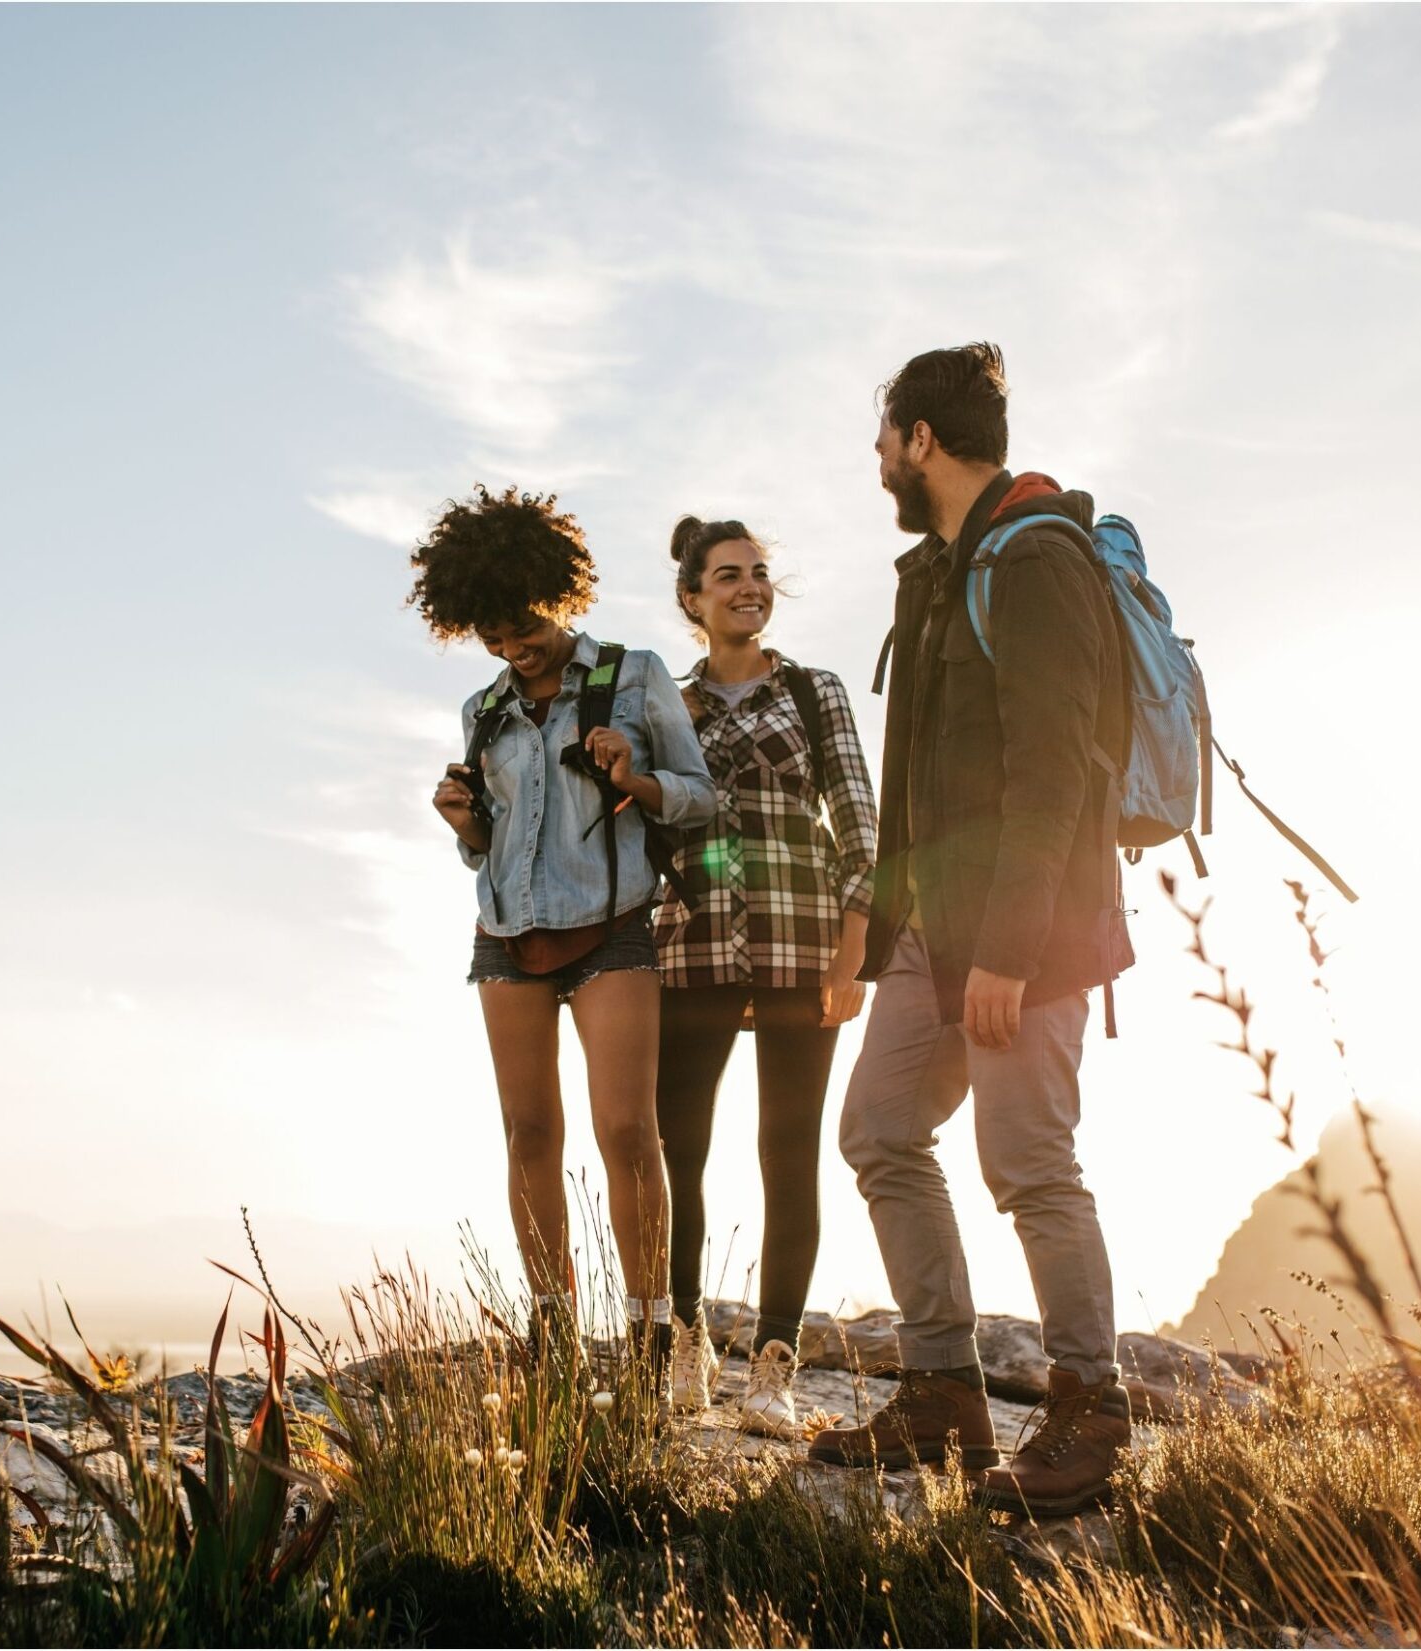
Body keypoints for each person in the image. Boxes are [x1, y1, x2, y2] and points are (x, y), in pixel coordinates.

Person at [808, 343, 1137, 1517]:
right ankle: (941, 1386)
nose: (879, 459)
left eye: (885, 438)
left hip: (1028, 928)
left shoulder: (1037, 559)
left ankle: (1090, 1408)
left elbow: (1053, 767)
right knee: (882, 1129)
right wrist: (873, 926)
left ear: (921, 443)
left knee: (1029, 1163)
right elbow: (911, 781)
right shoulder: (935, 571)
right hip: (927, 931)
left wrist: (1006, 945)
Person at [414, 485, 717, 1373]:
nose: (513, 648)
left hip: (613, 925)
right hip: (506, 935)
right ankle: (552, 1333)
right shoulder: (483, 711)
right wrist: (464, 821)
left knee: (628, 1131)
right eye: (493, 637)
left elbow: (701, 797)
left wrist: (640, 775)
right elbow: (488, 849)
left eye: (525, 627)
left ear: (558, 589)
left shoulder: (634, 675)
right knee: (528, 1133)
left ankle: (653, 1331)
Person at [650, 516, 878, 1437]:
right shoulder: (662, 700)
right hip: (691, 943)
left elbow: (860, 821)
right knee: (679, 1152)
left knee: (789, 1152)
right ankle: (686, 1340)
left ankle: (775, 1367)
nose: (748, 587)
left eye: (758, 573)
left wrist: (855, 948)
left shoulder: (815, 691)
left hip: (801, 941)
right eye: (727, 575)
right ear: (692, 598)